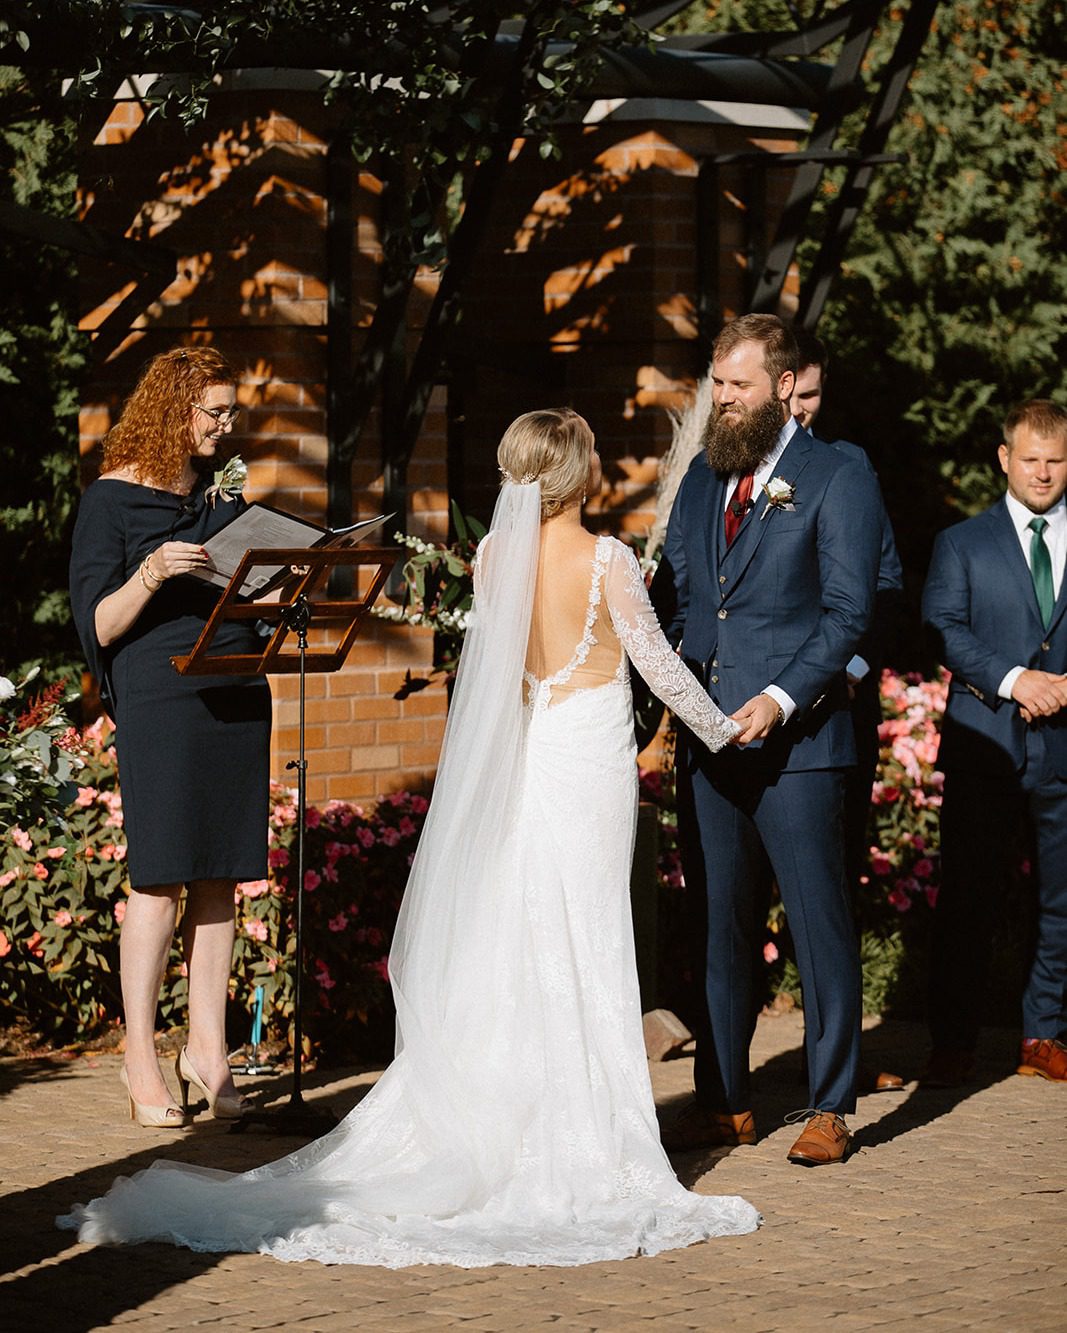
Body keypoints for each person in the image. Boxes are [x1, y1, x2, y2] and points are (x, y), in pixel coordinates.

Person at [58, 408, 760, 1266]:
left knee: (524, 931)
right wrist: (728, 727)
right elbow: (659, 667)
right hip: (584, 765)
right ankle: (582, 1129)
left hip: (529, 754)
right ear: (578, 473)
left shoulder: (497, 555)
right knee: (587, 933)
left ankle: (517, 1115)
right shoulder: (608, 560)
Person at [653, 314, 882, 1166]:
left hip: (801, 742)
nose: (723, 399)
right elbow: (677, 597)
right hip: (709, 738)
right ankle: (723, 1100)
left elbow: (849, 611)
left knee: (818, 923)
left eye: (737, 385)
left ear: (783, 386)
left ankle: (829, 1104)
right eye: (717, 384)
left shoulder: (837, 476)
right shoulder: (705, 477)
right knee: (715, 921)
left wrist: (782, 698)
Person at [68, 346, 271, 1129]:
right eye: (212, 412)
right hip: (159, 695)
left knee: (221, 877)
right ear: (171, 411)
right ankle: (141, 1056)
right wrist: (152, 572)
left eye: (230, 413)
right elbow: (100, 625)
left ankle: (208, 1053)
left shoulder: (222, 497)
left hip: (234, 688)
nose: (225, 426)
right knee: (158, 880)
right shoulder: (110, 502)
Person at [921, 398, 1067, 1087]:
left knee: (1060, 898)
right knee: (968, 898)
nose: (1042, 472)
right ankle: (953, 1040)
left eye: (1055, 460)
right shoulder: (961, 542)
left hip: (1063, 745)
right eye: (1030, 459)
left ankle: (1043, 1032)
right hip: (986, 743)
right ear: (1004, 459)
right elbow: (945, 627)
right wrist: (1014, 680)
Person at [790, 329, 905, 1095]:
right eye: (791, 395)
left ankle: (837, 1066)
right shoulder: (718, 475)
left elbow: (885, 582)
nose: (801, 411)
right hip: (745, 710)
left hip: (838, 705)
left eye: (812, 396)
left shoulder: (848, 467)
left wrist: (855, 668)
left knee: (834, 881)